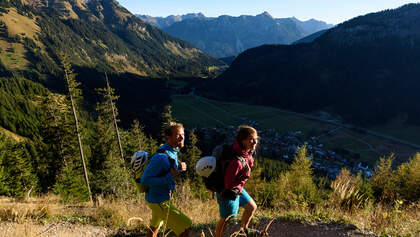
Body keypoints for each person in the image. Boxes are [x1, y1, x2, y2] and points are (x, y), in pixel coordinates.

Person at [141, 122, 192, 237]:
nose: (182, 137)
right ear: (168, 137)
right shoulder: (161, 157)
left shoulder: (172, 151)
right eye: (178, 135)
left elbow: (168, 170)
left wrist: (178, 168)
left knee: (154, 226)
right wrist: (169, 177)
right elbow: (145, 180)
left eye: (183, 134)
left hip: (159, 198)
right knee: (185, 226)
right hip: (158, 201)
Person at [215, 125, 259, 237]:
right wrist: (244, 179)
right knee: (227, 219)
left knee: (251, 207)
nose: (254, 142)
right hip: (227, 192)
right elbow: (229, 184)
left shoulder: (245, 152)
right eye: (251, 139)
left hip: (237, 188)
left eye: (256, 139)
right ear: (242, 140)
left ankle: (243, 231)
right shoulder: (236, 161)